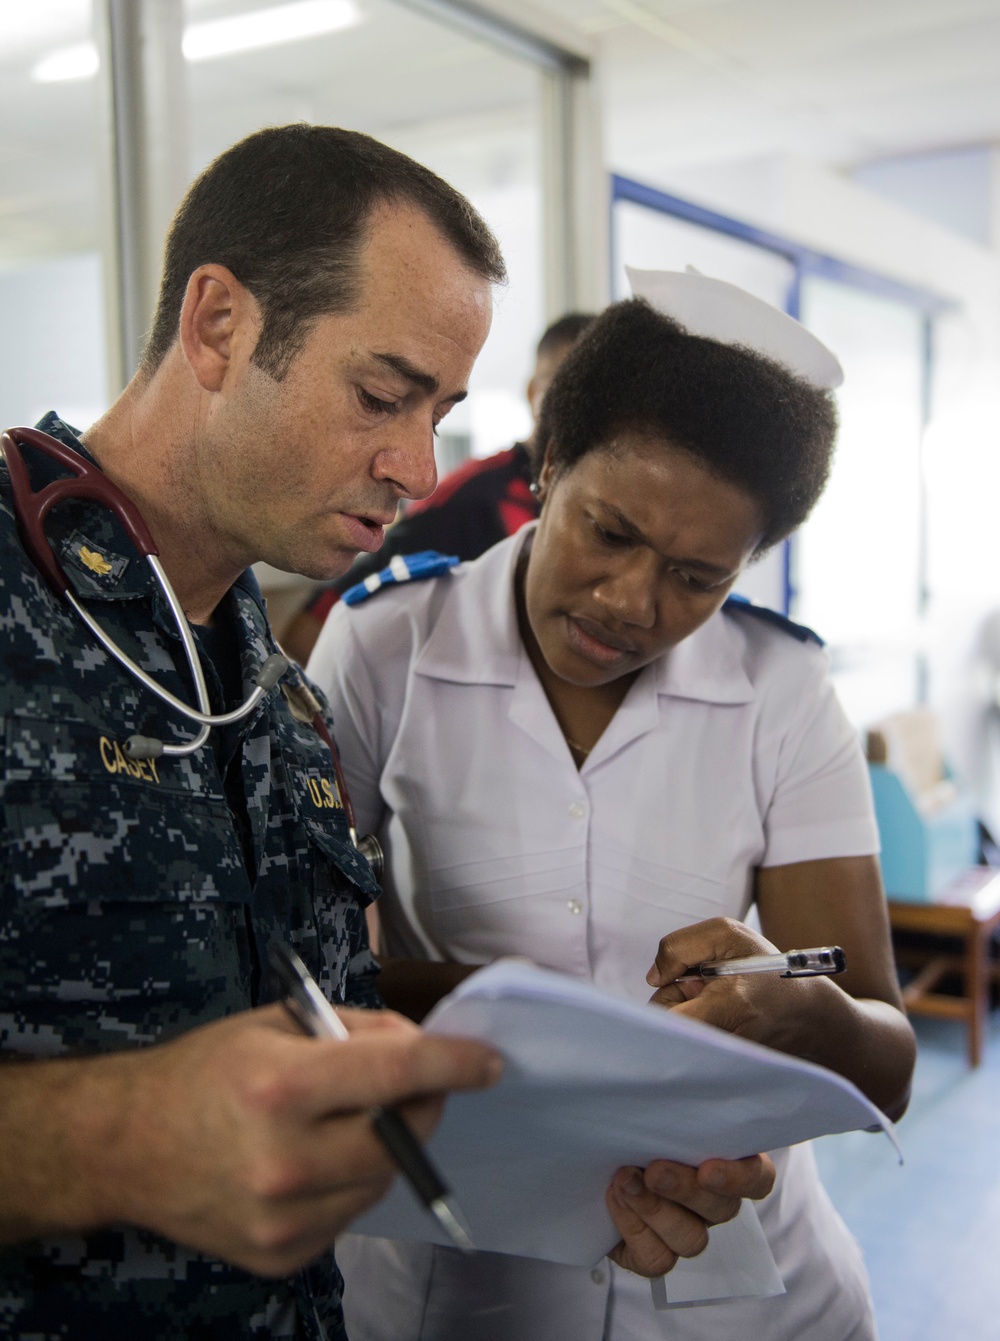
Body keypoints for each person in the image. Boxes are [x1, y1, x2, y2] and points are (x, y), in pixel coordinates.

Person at [308, 278, 918, 1341]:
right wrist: (509, 1008)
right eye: (608, 530)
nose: (631, 603)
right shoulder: (388, 644)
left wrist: (795, 1001)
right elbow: (300, 974)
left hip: (746, 1298)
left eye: (695, 576)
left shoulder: (780, 691)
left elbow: (882, 1047)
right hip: (461, 1281)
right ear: (545, 467)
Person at [0, 123, 512, 1341]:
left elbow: (316, 1046)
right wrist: (112, 1140)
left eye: (439, 409)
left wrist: (602, 1135)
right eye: (382, 395)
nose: (416, 467)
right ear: (220, 326)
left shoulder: (274, 696)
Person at [280, 312, 595, 665]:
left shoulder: (613, 510)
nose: (581, 412)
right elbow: (310, 628)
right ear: (534, 392)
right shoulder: (471, 498)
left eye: (598, 396)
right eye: (565, 390)